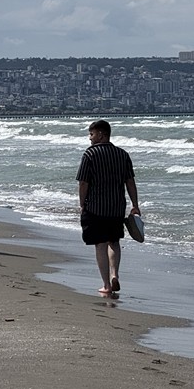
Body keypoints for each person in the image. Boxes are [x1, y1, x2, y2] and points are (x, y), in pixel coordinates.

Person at [76, 120, 140, 297]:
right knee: (114, 242)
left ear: (101, 134)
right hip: (117, 207)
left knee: (100, 244)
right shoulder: (122, 154)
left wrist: (82, 204)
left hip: (96, 207)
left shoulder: (90, 155)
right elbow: (130, 182)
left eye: (92, 134)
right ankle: (115, 274)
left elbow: (83, 182)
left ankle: (106, 284)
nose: (90, 138)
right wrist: (135, 205)